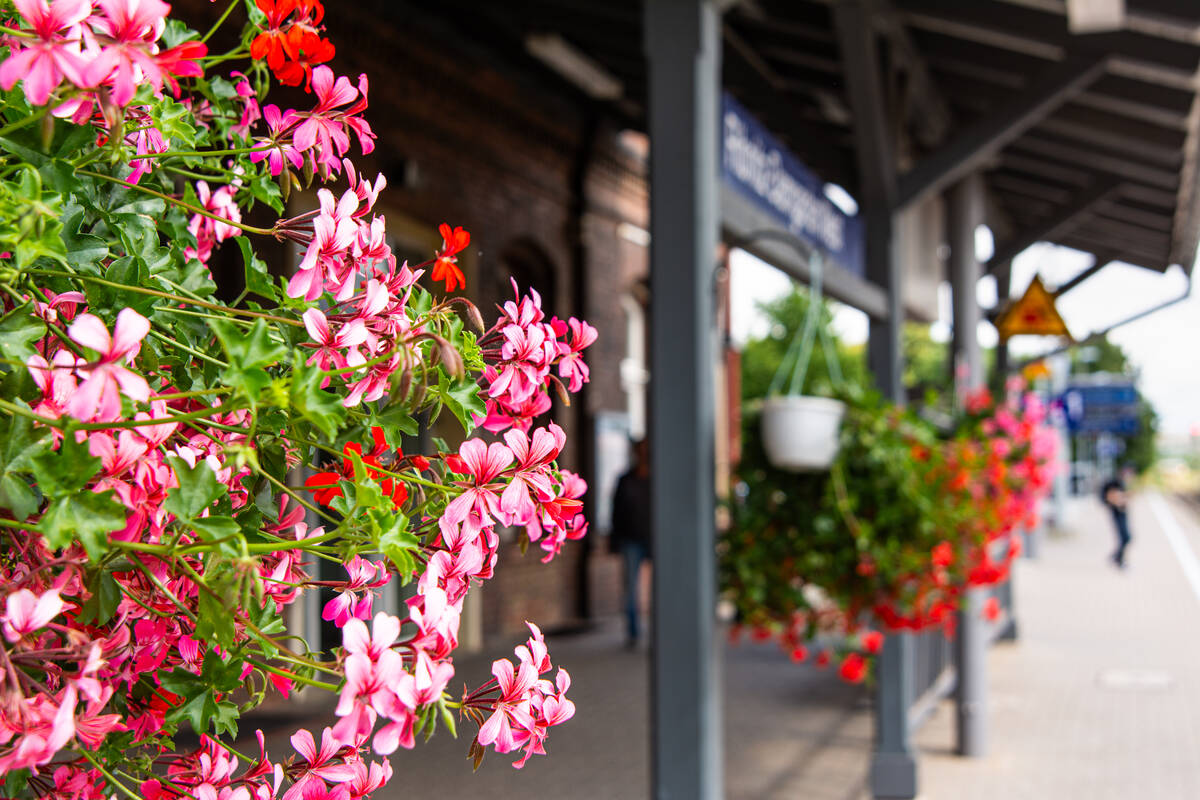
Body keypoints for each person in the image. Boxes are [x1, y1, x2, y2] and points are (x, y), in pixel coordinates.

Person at [610, 438, 651, 647]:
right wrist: (614, 540)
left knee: (660, 588)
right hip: (630, 539)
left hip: (654, 540)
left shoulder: (658, 479)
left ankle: (659, 631)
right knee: (630, 590)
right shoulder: (625, 479)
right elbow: (616, 511)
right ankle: (634, 633)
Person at [1101, 466, 1134, 569]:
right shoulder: (1115, 482)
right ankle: (1119, 559)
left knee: (1126, 538)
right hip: (1117, 513)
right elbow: (1109, 497)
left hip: (1121, 512)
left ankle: (1117, 557)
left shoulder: (1122, 482)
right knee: (1125, 537)